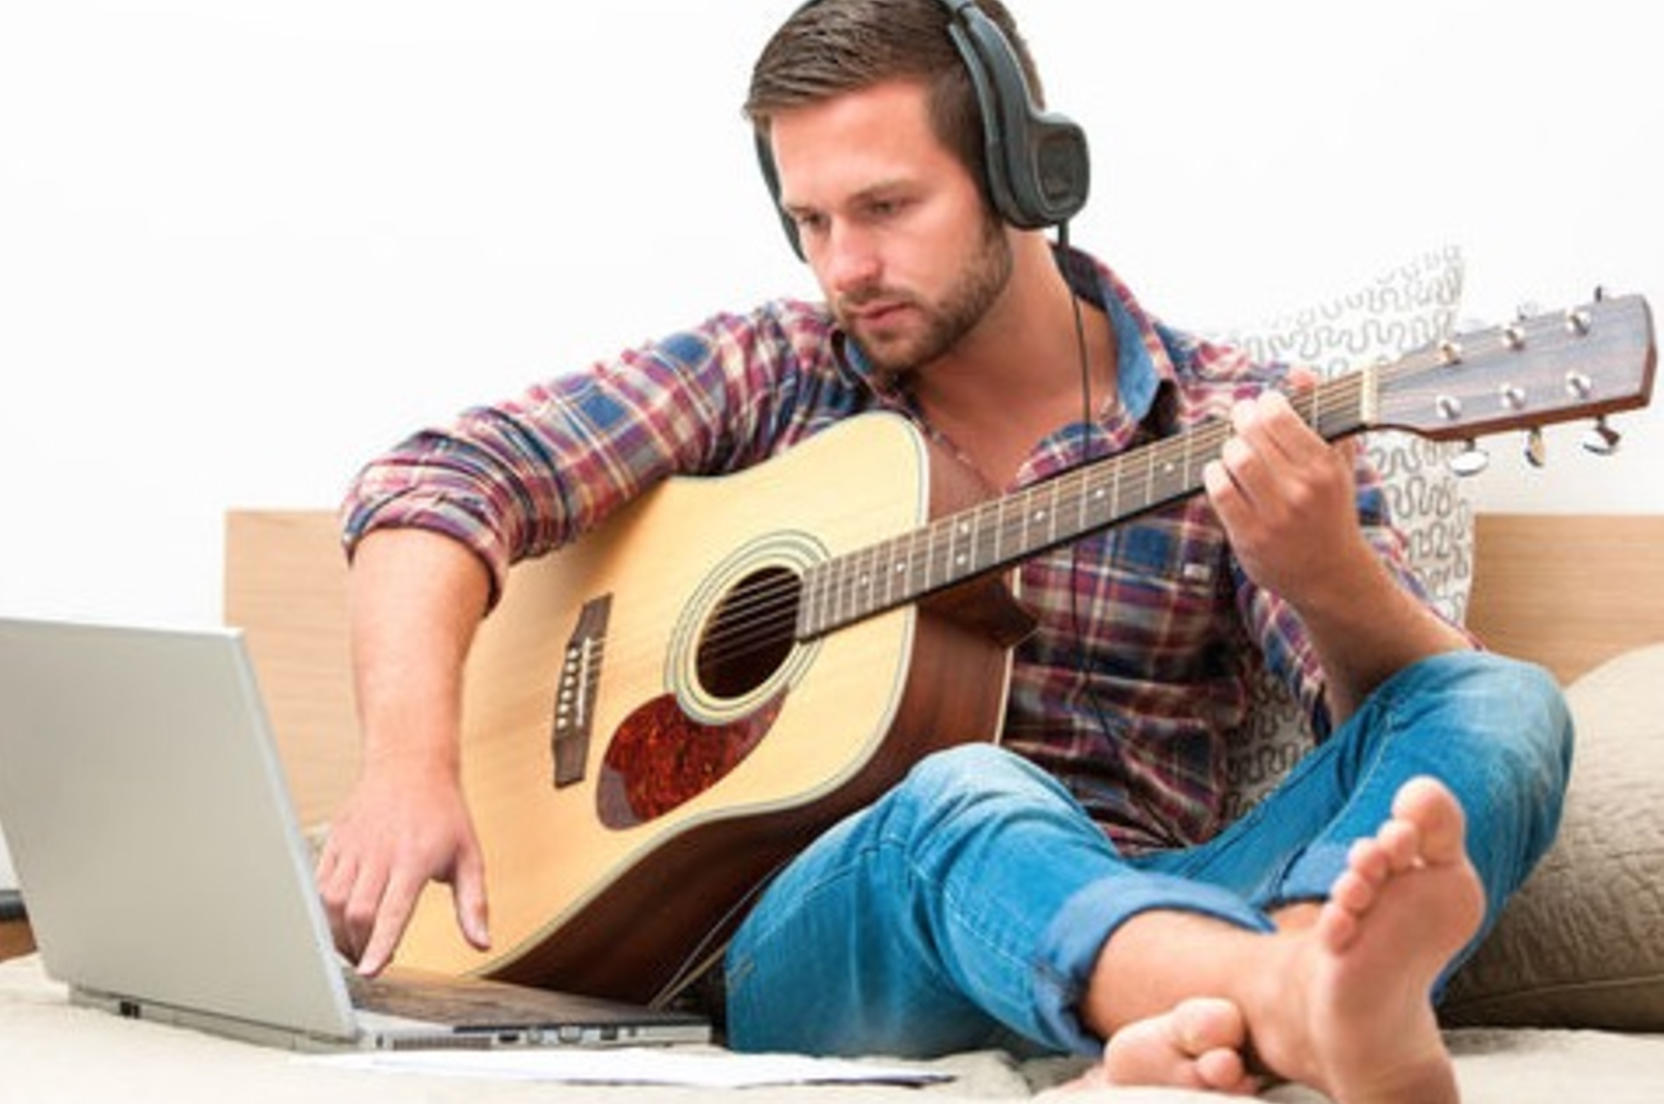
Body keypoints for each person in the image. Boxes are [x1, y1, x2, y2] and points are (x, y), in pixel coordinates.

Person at [314, 2, 1571, 1099]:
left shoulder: (1225, 417)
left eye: (885, 207)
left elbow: (1392, 724)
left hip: (1161, 884)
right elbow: (440, 479)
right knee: (964, 794)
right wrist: (410, 765)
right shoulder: (774, 368)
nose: (842, 266)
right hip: (832, 937)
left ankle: (1240, 1004)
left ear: (1025, 177)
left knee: (1503, 701)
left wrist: (1326, 575)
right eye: (807, 220)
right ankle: (1285, 1004)